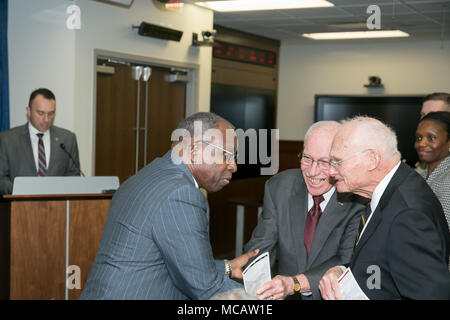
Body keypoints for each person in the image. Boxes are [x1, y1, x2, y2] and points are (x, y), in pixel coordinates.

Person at [80, 112, 259, 300]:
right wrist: (262, 296)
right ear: (195, 149)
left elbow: (170, 259)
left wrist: (226, 267)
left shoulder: (144, 176)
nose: (234, 166)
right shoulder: (181, 194)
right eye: (227, 154)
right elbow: (205, 286)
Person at [318, 116, 450, 300]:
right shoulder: (392, 188)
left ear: (372, 159)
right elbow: (381, 263)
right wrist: (342, 271)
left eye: (338, 162)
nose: (331, 172)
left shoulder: (407, 215)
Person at [241, 121, 364, 300]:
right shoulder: (279, 187)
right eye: (307, 158)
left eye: (324, 162)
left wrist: (294, 283)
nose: (312, 172)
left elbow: (346, 260)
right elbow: (261, 247)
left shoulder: (357, 198)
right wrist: (257, 291)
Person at [0, 88, 81, 195]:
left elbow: (74, 177)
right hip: (20, 207)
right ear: (28, 111)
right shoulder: (7, 139)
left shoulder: (67, 139)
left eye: (51, 113)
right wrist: (23, 190)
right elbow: (1, 178)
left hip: (57, 208)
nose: (46, 119)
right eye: (40, 113)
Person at [414, 111, 450, 268]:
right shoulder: (419, 177)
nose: (422, 143)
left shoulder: (448, 178)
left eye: (431, 138)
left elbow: (445, 232)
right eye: (419, 138)